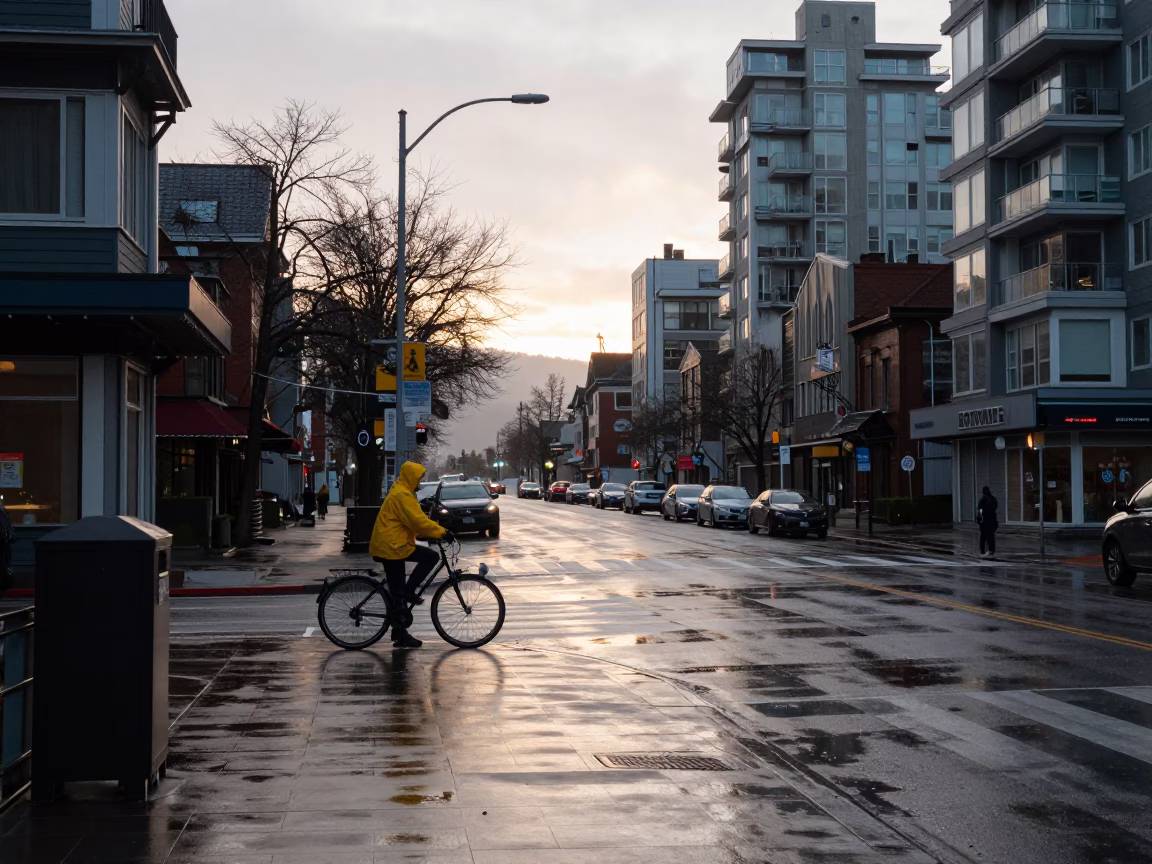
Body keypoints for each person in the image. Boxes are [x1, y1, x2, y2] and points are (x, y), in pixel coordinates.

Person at [369, 461, 452, 648]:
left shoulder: (402, 491)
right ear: (411, 477)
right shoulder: (402, 495)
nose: (420, 482)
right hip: (391, 547)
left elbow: (413, 520)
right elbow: (418, 521)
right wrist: (442, 533)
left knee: (398, 592)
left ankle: (400, 633)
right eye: (418, 479)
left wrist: (431, 531)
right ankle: (408, 592)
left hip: (393, 544)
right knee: (431, 557)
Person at [977, 485, 998, 559]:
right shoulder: (993, 499)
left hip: (985, 521)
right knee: (991, 536)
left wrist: (979, 520)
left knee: (983, 536)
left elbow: (980, 510)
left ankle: (982, 551)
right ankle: (991, 550)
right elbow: (995, 509)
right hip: (992, 520)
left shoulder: (983, 499)